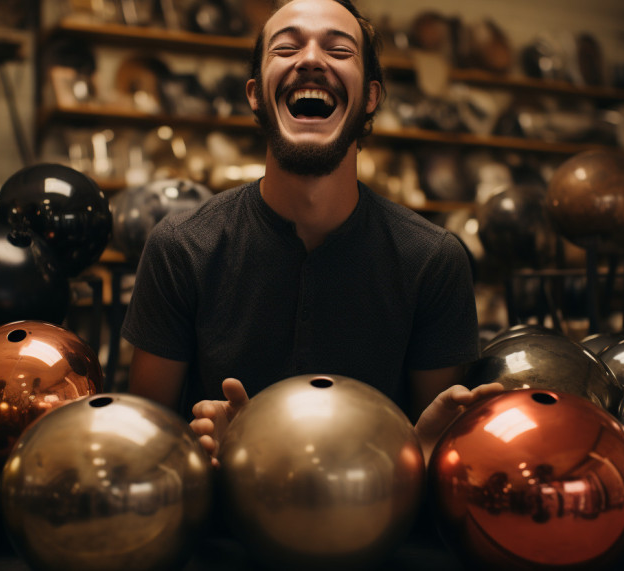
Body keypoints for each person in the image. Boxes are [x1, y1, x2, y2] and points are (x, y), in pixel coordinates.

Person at [122, 0, 500, 464]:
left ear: (371, 98)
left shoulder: (433, 260)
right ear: (256, 94)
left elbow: (439, 450)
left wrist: (425, 456)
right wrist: (202, 460)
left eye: (340, 50)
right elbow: (145, 448)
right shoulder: (180, 247)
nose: (311, 59)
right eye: (287, 47)